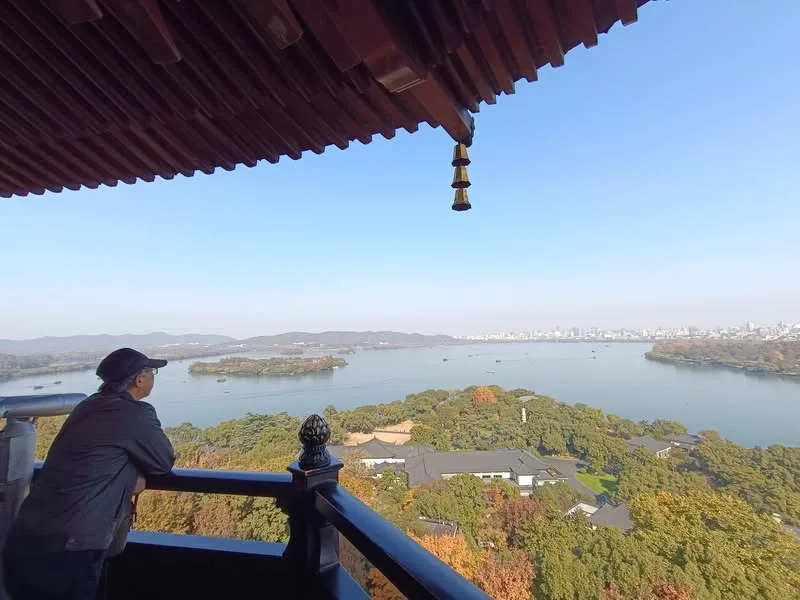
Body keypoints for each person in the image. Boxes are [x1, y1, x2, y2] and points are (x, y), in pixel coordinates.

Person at [2, 348, 176, 600]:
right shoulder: (133, 413)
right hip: (72, 546)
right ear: (140, 379)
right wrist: (133, 475)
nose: (153, 377)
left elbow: (101, 453)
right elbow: (163, 462)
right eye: (152, 372)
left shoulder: (87, 405)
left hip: (29, 534)